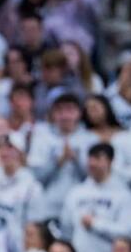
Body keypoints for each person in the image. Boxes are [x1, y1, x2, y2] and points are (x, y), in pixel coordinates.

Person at [59, 143, 131, 252]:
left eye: (98, 158)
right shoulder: (76, 193)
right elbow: (66, 229)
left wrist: (96, 224)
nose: (92, 163)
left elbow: (129, 232)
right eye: (90, 158)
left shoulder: (123, 195)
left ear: (110, 161)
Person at [27, 93, 99, 221]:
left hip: (82, 206)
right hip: (48, 205)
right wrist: (57, 162)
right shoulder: (42, 137)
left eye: (70, 110)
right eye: (60, 110)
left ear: (79, 113)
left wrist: (76, 160)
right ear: (53, 114)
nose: (65, 115)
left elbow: (97, 177)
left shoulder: (91, 139)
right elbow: (36, 178)